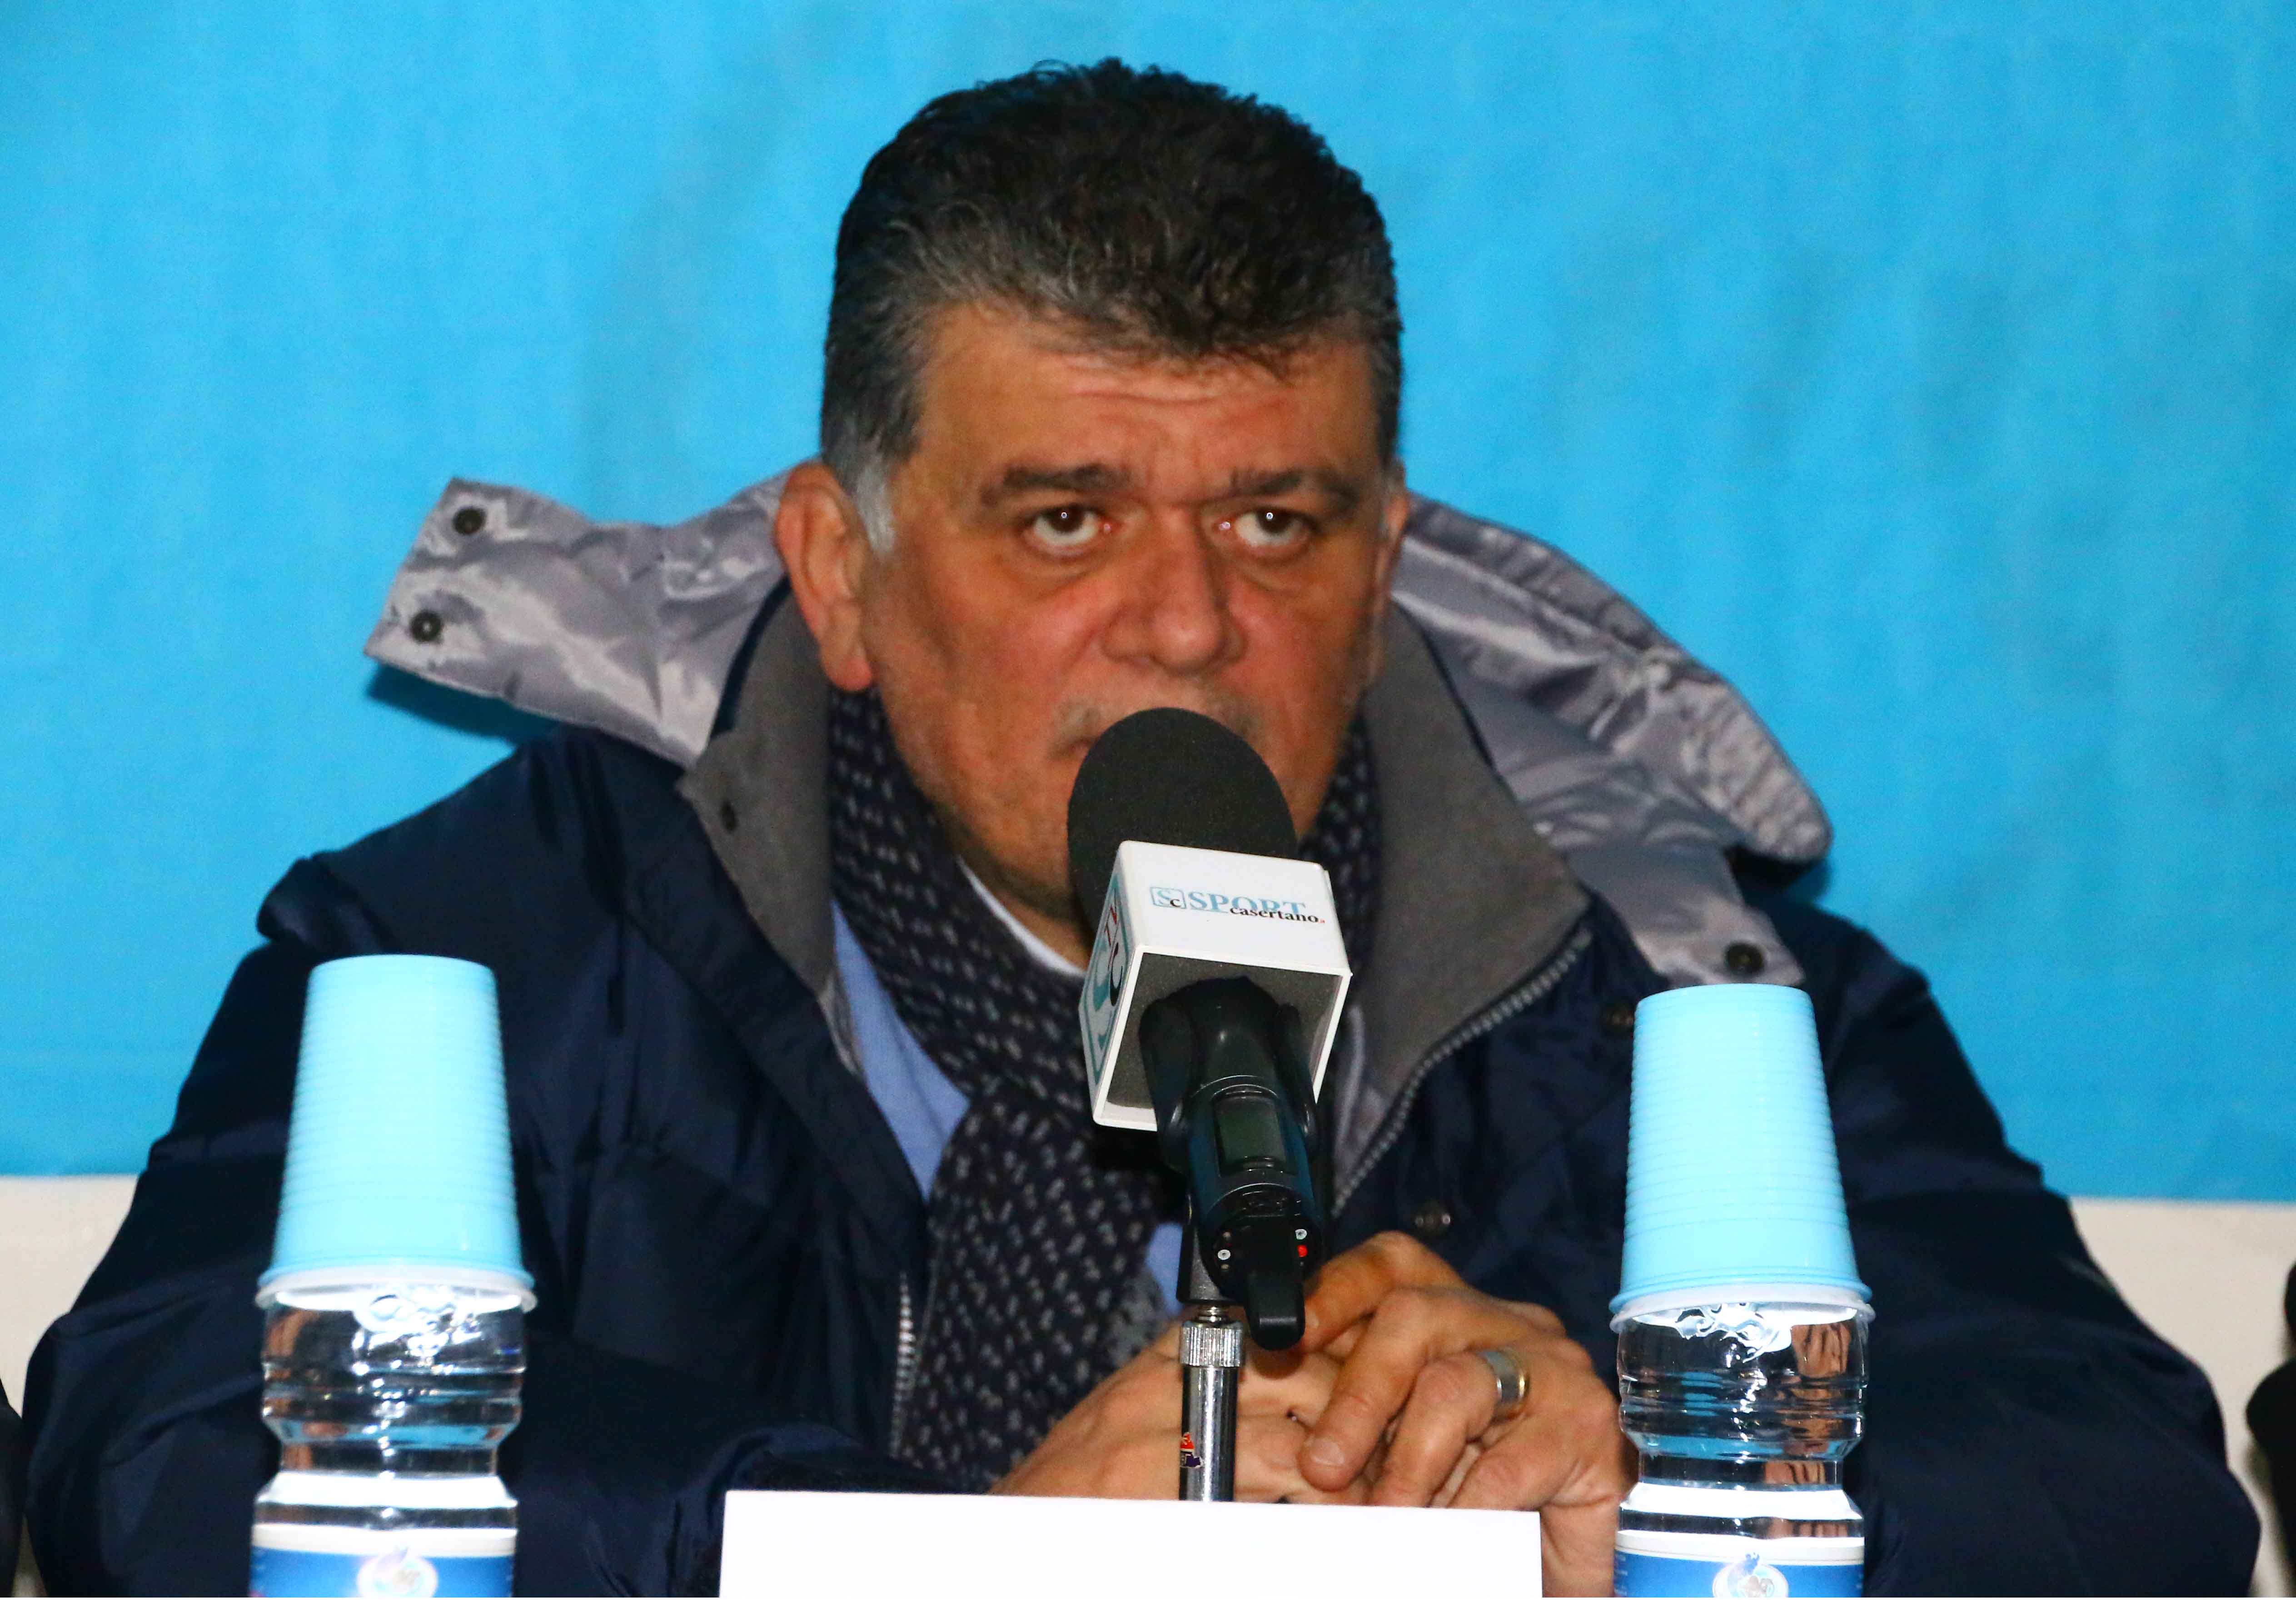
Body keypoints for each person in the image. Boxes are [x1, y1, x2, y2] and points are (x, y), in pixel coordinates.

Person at [26, 60, 2258, 1596]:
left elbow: (2128, 1490)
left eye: (1275, 521)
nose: (1188, 628)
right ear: (839, 576)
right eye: (1066, 520)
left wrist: (1666, 1489)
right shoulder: (494, 950)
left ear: (1384, 560)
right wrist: (926, 1554)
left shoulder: (1682, 985)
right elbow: (155, 1452)